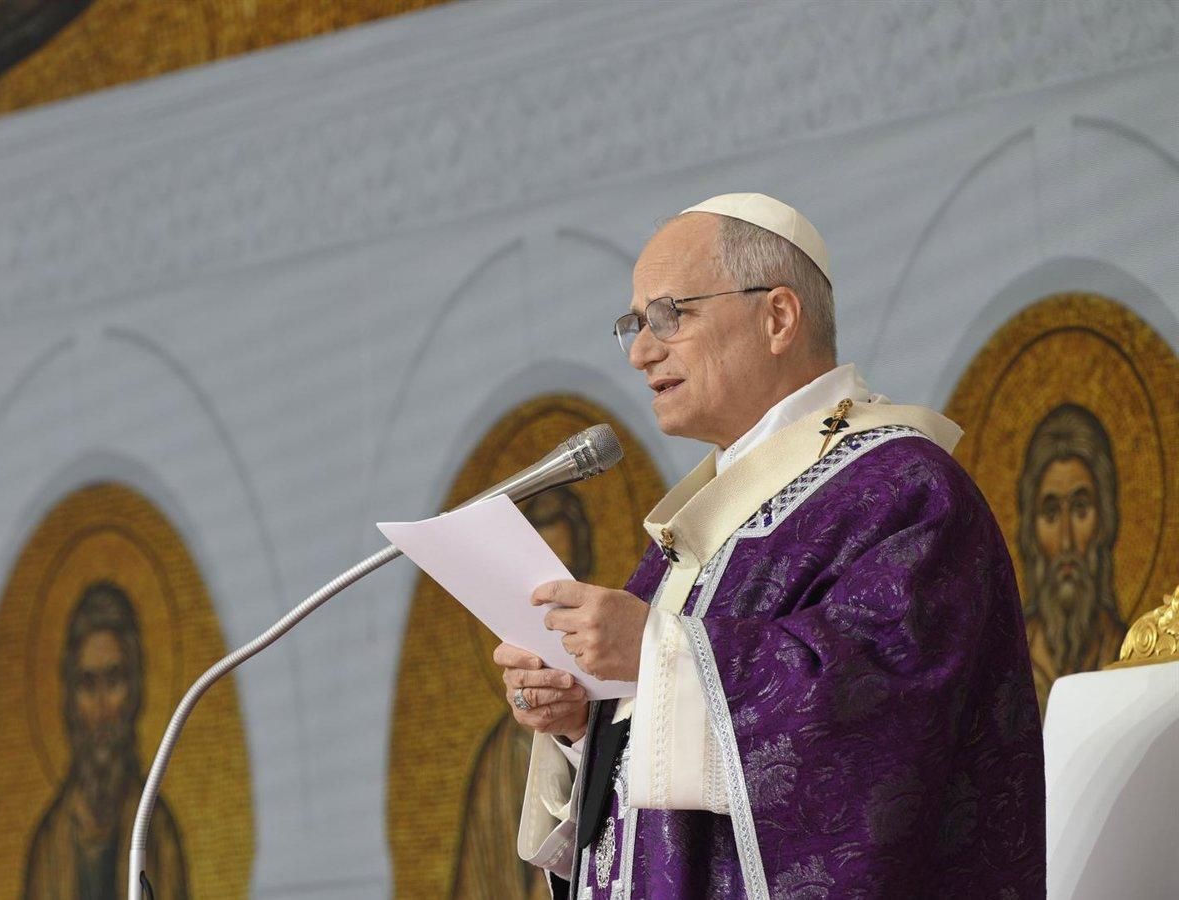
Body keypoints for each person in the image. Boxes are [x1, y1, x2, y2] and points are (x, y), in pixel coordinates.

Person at [495, 194, 1045, 898]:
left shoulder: (901, 490)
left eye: (669, 315)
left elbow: (883, 725)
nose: (640, 352)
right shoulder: (696, 531)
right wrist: (583, 720)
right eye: (632, 325)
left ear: (778, 317)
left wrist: (658, 658)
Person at [453, 488, 593, 900]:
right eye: (535, 593)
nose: (549, 612)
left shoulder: (621, 699)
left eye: (561, 583)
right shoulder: (499, 758)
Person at [24, 581, 188, 899]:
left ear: (134, 691)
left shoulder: (157, 832)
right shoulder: (50, 844)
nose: (101, 708)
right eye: (87, 684)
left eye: (113, 681)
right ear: (71, 700)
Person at [1017, 403, 1126, 710]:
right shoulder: (1008, 663)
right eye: (1050, 512)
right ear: (1030, 531)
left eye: (1080, 509)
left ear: (1104, 519)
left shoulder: (1130, 654)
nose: (1066, 540)